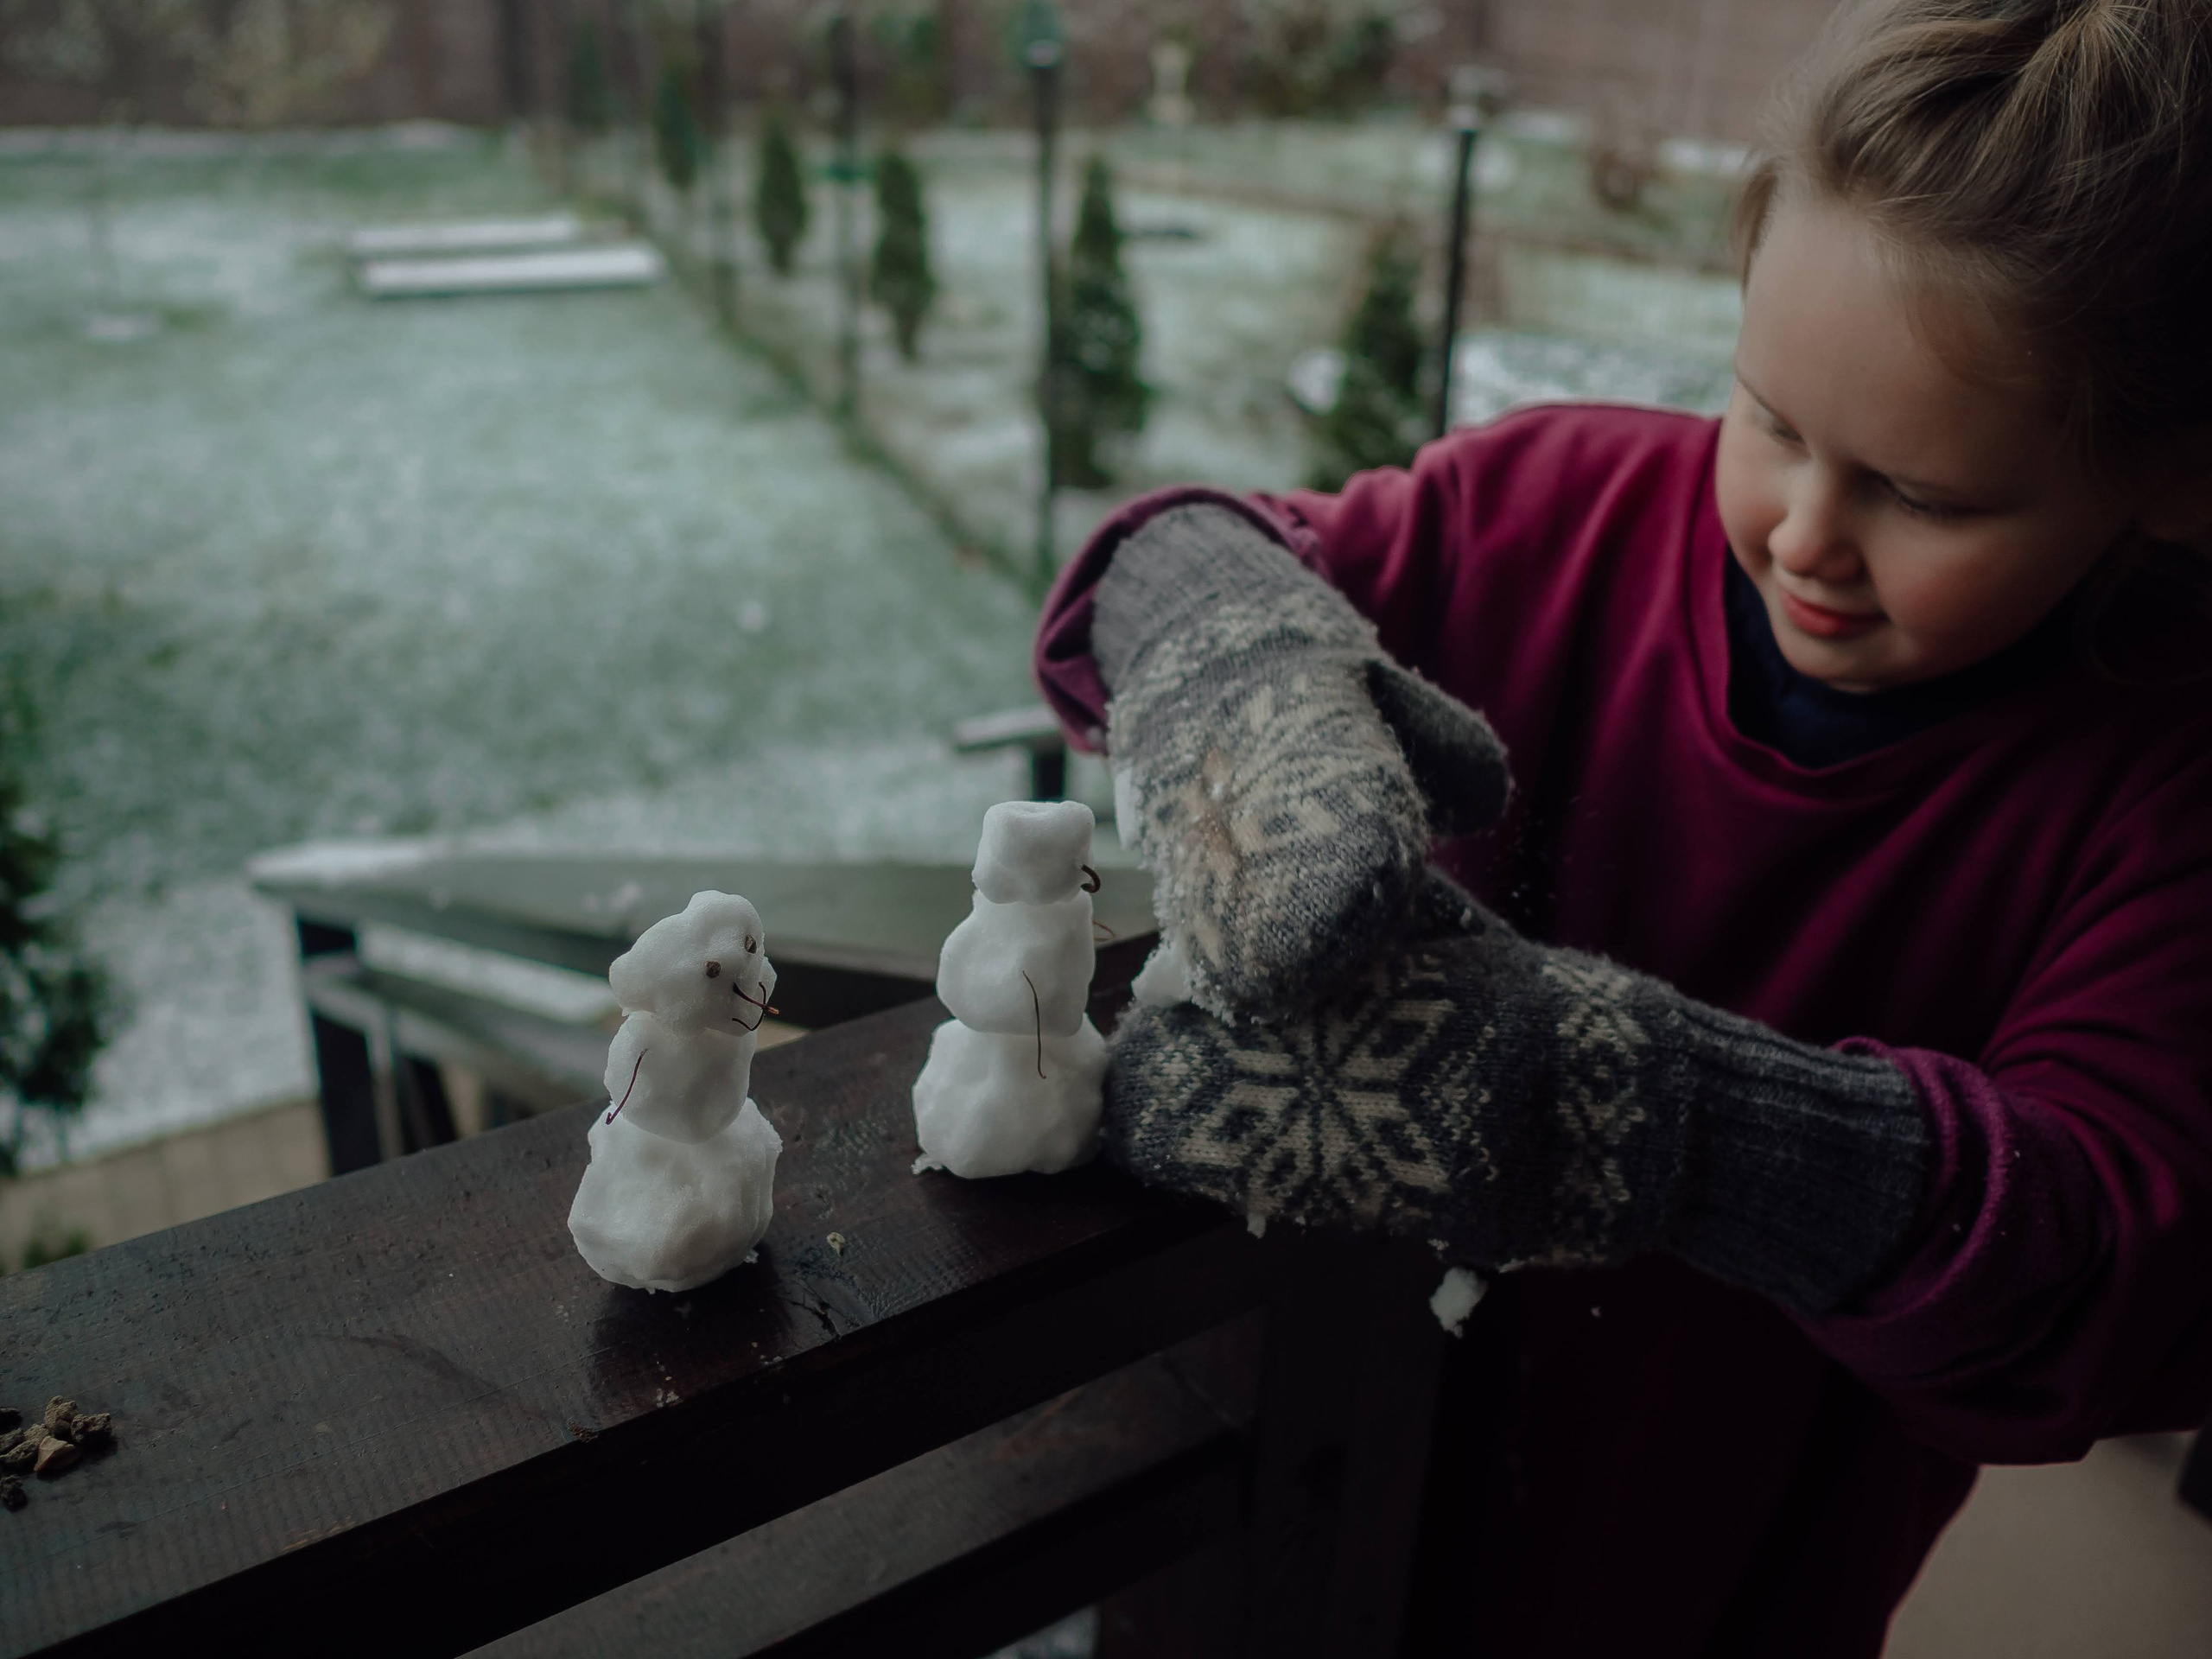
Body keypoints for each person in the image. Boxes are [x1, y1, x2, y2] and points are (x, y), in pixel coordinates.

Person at [1030, 2, 2212, 1653]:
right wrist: (1234, 661)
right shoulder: (1554, 506)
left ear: (2173, 476)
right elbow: (1151, 564)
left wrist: (1632, 1117)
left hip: (1699, 1557)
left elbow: (2098, 1274)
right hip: (1289, 1451)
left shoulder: (2162, 791)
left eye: (1927, 495)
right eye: (1773, 418)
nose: (1807, 534)